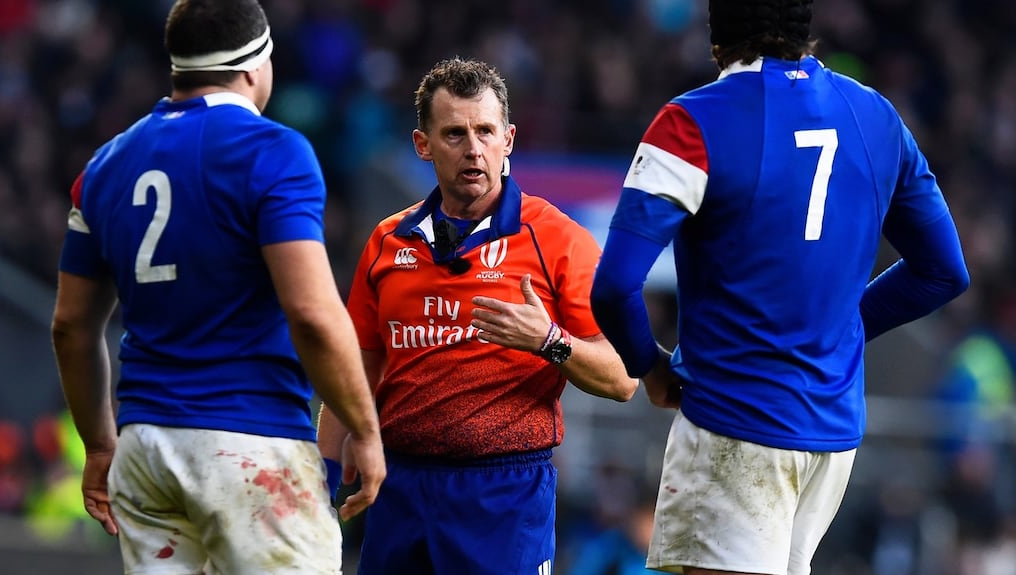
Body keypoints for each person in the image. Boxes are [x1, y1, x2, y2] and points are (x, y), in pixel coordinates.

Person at [589, 1, 971, 574]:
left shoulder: (692, 122)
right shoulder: (876, 117)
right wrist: (839, 331)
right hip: (831, 438)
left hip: (734, 427)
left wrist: (650, 367)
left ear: (716, 34)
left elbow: (615, 285)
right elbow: (944, 270)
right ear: (805, 26)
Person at [49, 1, 385, 573]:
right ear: (257, 65)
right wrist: (364, 428)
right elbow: (309, 312)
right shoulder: (274, 152)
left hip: (144, 451)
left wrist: (101, 445)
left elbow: (71, 325)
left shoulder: (105, 165)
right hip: (250, 446)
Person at [315, 56, 639, 575]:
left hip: (505, 495)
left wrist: (549, 340)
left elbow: (623, 379)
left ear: (508, 139)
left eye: (485, 131)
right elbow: (355, 372)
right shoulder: (386, 242)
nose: (473, 149)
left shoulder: (557, 239)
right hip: (401, 490)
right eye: (454, 134)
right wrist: (322, 485)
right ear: (423, 145)